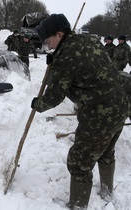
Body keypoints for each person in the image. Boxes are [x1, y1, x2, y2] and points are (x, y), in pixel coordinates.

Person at [32, 14, 130, 209]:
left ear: (60, 34)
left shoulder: (66, 57)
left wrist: (37, 104)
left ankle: (78, 206)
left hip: (99, 114)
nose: (48, 46)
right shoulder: (89, 39)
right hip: (120, 103)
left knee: (79, 163)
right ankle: (107, 193)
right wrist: (56, 57)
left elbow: (54, 97)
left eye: (49, 41)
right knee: (105, 151)